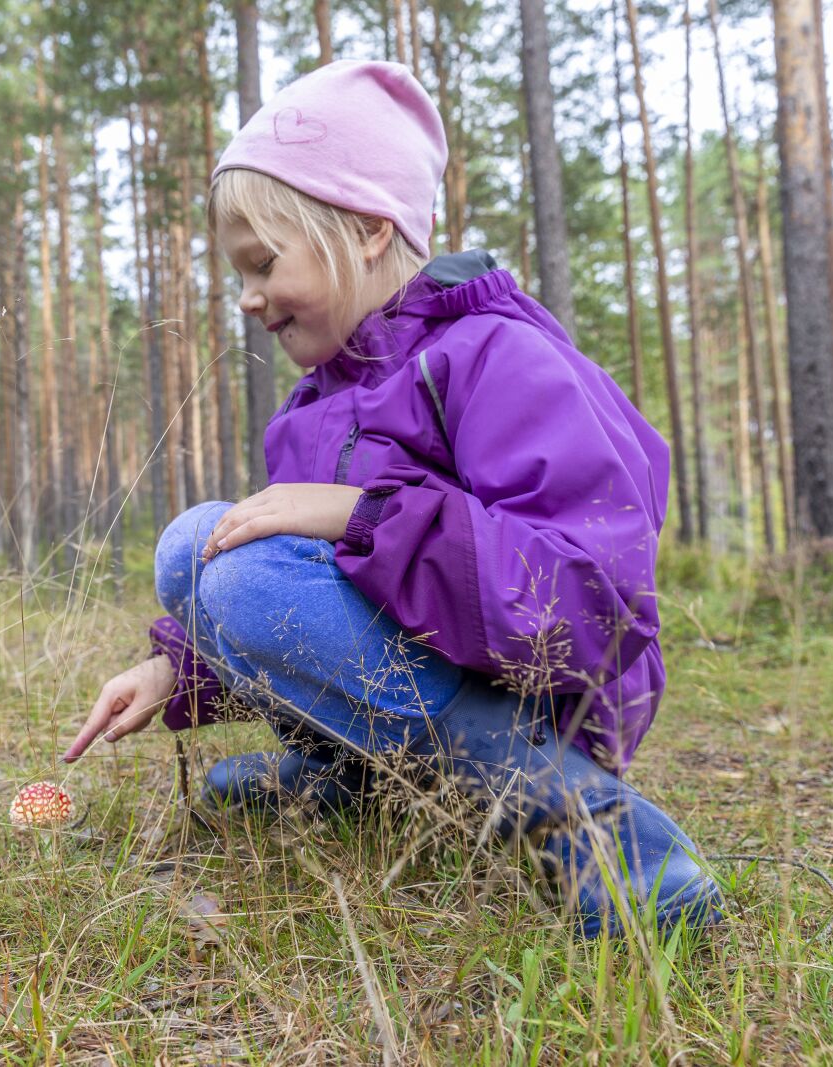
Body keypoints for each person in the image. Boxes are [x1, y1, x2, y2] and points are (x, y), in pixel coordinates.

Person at [62, 60, 721, 938]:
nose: (249, 299)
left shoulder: (496, 358)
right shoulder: (310, 411)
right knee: (197, 552)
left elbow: (583, 601)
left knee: (220, 559)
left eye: (263, 264)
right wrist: (172, 670)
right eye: (238, 275)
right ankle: (361, 782)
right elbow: (315, 601)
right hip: (417, 690)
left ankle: (610, 842)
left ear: (369, 230)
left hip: (541, 704)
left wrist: (360, 511)